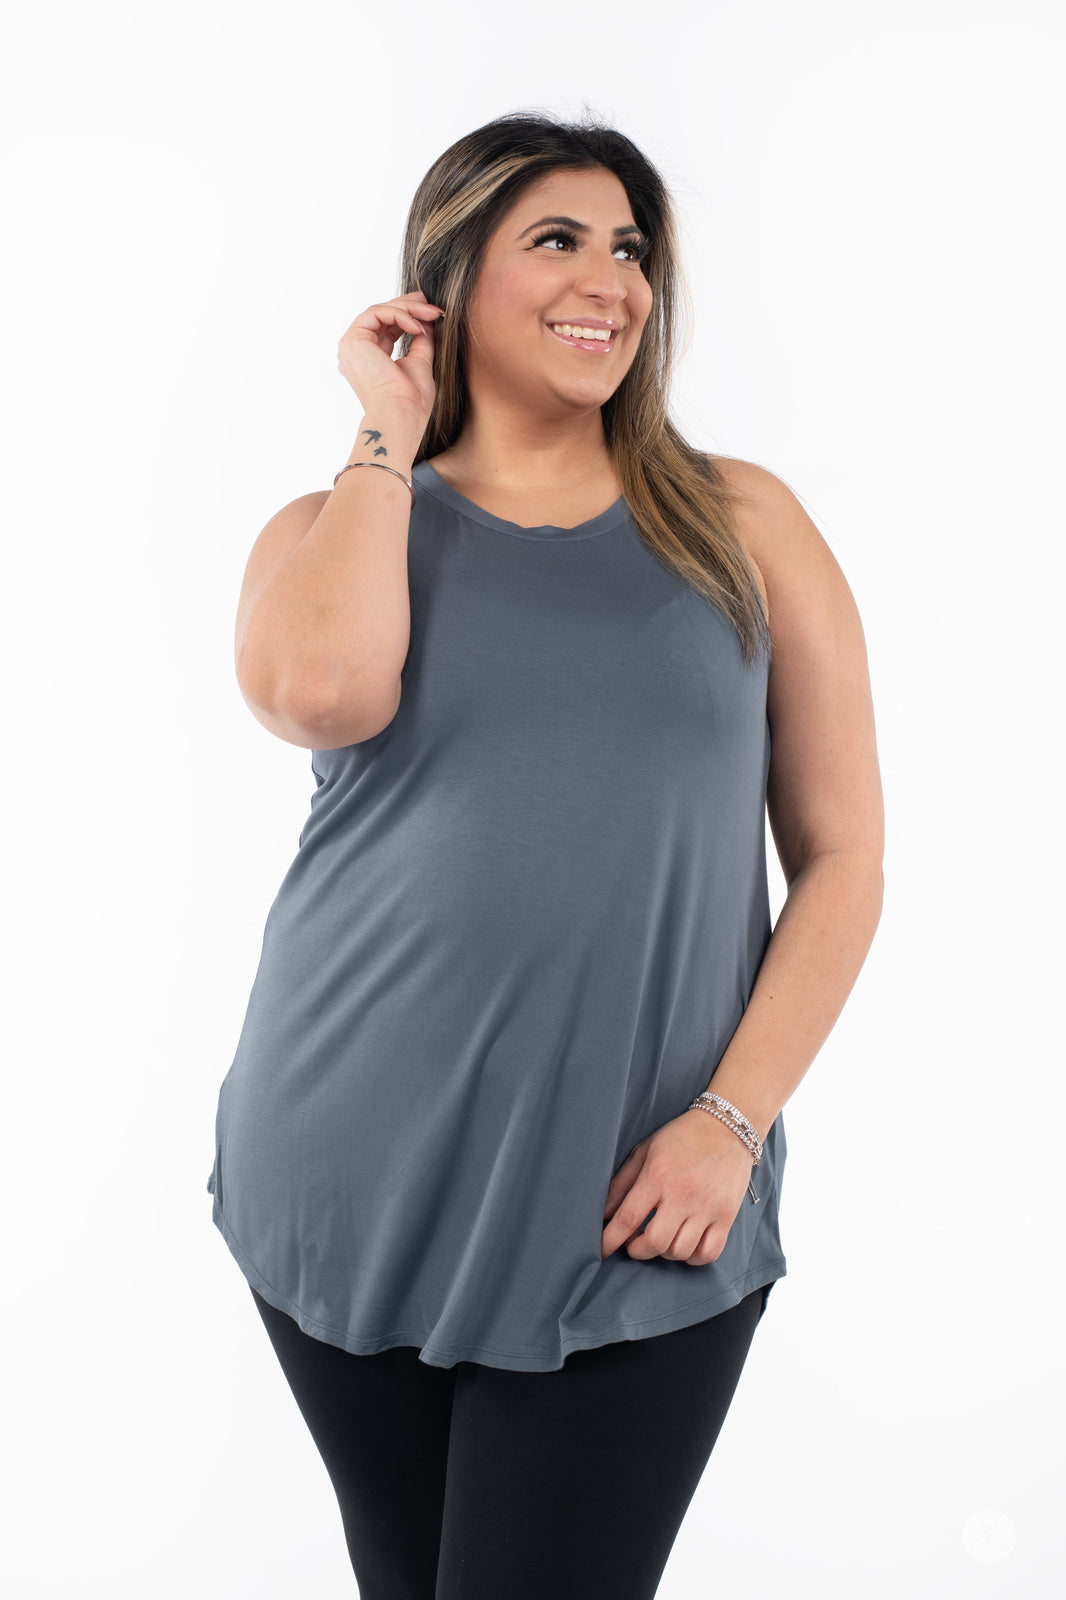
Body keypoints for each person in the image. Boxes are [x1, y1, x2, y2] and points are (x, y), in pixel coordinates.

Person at [205, 110, 884, 1599]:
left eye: (630, 249)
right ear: (446, 276)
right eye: (557, 240)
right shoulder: (336, 523)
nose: (610, 282)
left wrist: (731, 1122)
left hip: (637, 1194)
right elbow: (321, 693)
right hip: (346, 1164)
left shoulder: (739, 520)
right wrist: (387, 428)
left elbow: (843, 858)